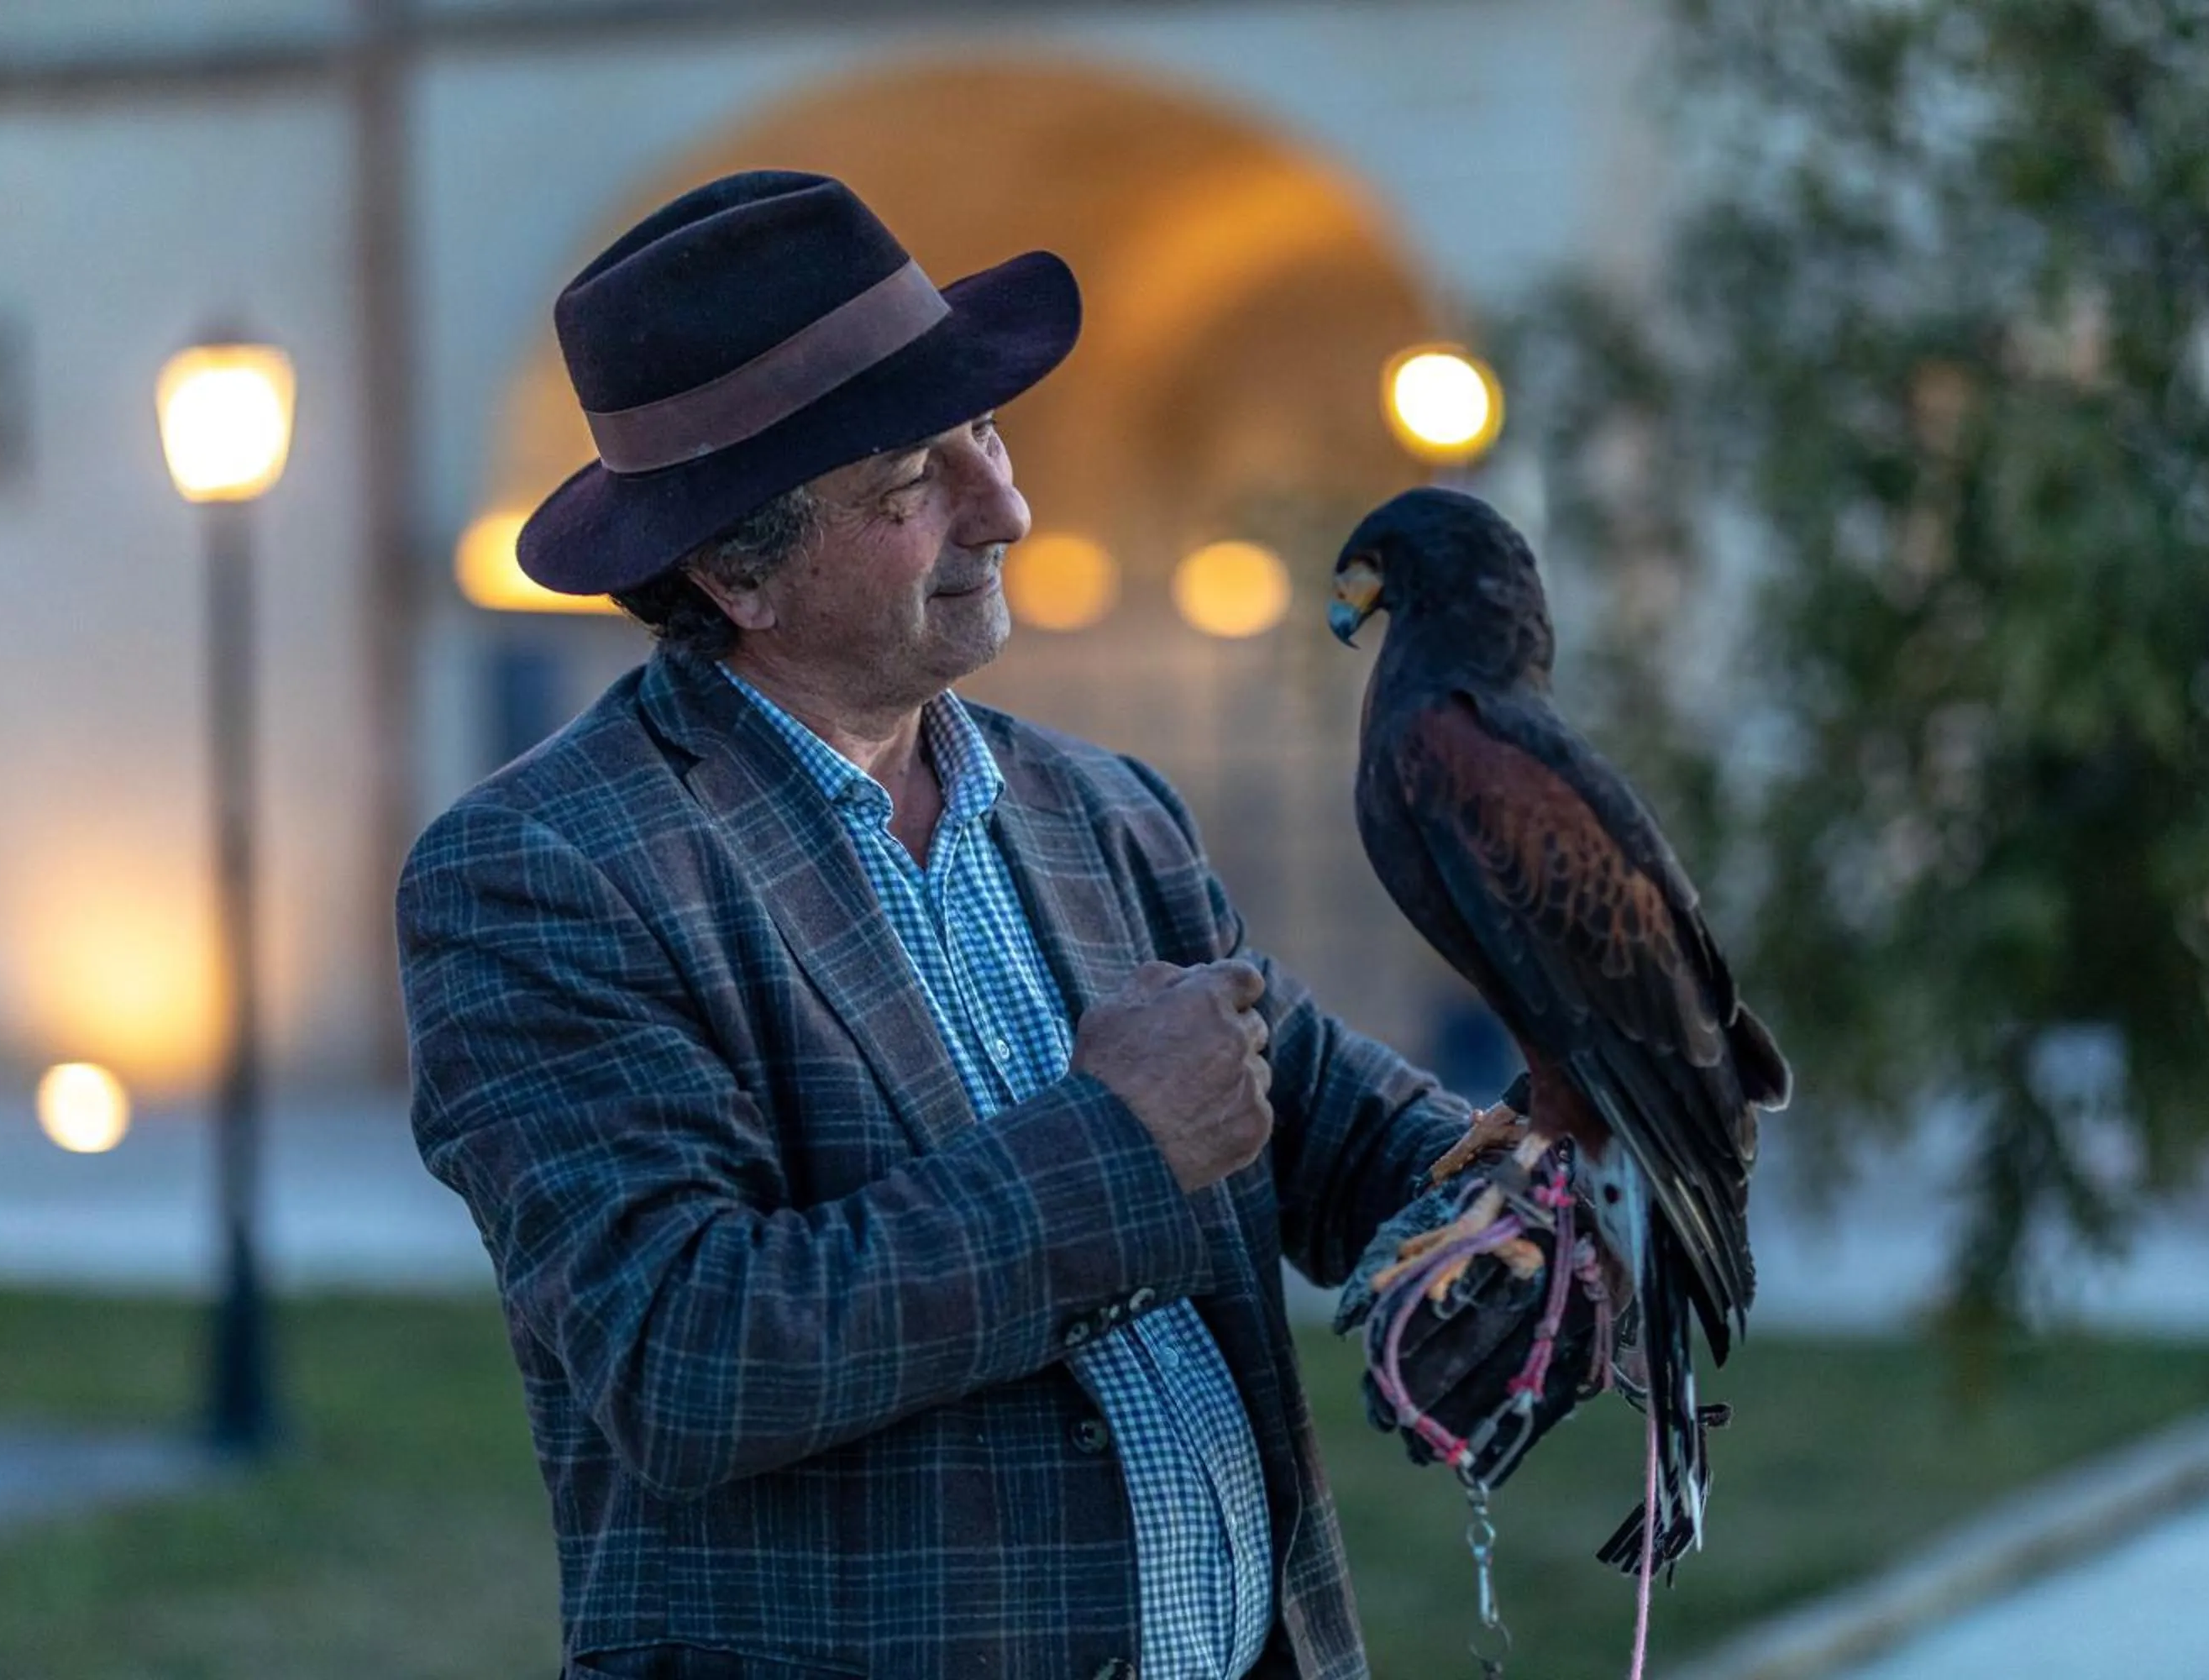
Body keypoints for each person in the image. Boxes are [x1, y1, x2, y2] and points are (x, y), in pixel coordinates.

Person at [396, 171, 1486, 1680]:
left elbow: (1340, 1134)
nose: (1009, 509)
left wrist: (1564, 1194)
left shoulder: (1103, 811)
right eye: (915, 477)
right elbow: (688, 1358)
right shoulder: (547, 874)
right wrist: (1118, 1144)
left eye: (984, 430)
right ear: (733, 569)